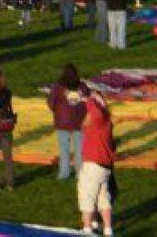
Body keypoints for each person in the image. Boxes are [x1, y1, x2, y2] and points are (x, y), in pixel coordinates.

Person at [78, 88, 116, 236]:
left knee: (87, 197)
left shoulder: (98, 120)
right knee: (103, 198)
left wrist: (88, 98)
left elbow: (95, 112)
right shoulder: (106, 122)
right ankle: (107, 229)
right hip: (104, 167)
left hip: (93, 165)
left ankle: (87, 229)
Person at [47, 64, 88, 182]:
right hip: (79, 122)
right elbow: (88, 101)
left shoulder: (57, 87)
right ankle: (80, 172)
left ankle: (64, 173)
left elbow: (51, 102)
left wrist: (58, 111)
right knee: (79, 150)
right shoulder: (82, 87)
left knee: (63, 149)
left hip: (62, 122)